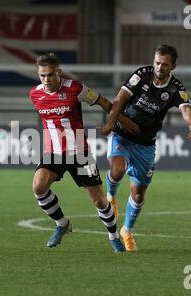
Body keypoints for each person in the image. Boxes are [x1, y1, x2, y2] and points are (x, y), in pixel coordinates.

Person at [99, 44, 191, 251]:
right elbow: (120, 98)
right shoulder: (142, 75)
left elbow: (185, 107)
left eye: (164, 64)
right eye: (157, 62)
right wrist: (111, 122)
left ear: (173, 66)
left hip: (146, 144)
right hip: (122, 133)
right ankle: (111, 196)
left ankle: (127, 231)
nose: (159, 67)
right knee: (117, 169)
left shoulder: (175, 88)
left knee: (138, 194)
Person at [30, 53, 126, 253]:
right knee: (38, 187)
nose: (46, 80)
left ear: (58, 72)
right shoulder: (35, 94)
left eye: (49, 75)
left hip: (79, 153)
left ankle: (114, 236)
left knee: (99, 200)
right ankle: (62, 224)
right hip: (53, 153)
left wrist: (112, 123)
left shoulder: (76, 88)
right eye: (42, 76)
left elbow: (106, 104)